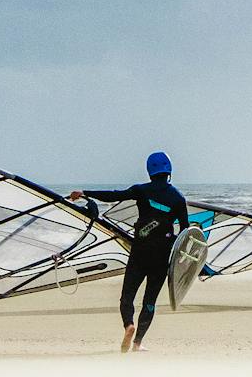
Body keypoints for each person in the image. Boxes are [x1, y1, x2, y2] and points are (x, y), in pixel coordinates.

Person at [69, 151, 191, 352]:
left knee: (127, 297)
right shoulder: (178, 198)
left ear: (149, 171)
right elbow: (185, 232)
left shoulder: (140, 190)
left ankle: (129, 325)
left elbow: (113, 196)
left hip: (140, 252)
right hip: (161, 257)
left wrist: (85, 193)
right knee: (149, 301)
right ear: (169, 171)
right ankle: (137, 342)